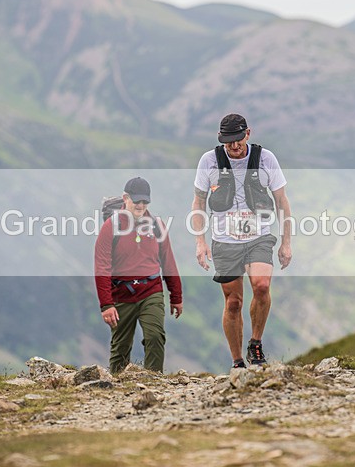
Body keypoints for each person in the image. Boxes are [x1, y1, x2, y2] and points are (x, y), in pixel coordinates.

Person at [192, 113, 292, 369]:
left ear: (248, 133)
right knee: (233, 302)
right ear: (220, 138)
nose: (234, 145)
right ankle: (237, 361)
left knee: (261, 286)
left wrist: (286, 242)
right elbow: (199, 202)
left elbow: (281, 201)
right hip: (224, 241)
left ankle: (255, 343)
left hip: (259, 236)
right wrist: (200, 242)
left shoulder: (266, 159)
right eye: (229, 141)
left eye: (238, 139)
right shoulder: (209, 161)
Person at [94, 177, 183, 374]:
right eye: (137, 201)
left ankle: (154, 380)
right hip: (121, 295)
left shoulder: (157, 225)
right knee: (121, 347)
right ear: (125, 198)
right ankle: (118, 383)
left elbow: (168, 261)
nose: (141, 205)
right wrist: (106, 305)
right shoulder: (110, 226)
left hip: (151, 291)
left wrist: (176, 296)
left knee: (155, 336)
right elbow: (101, 267)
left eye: (145, 201)